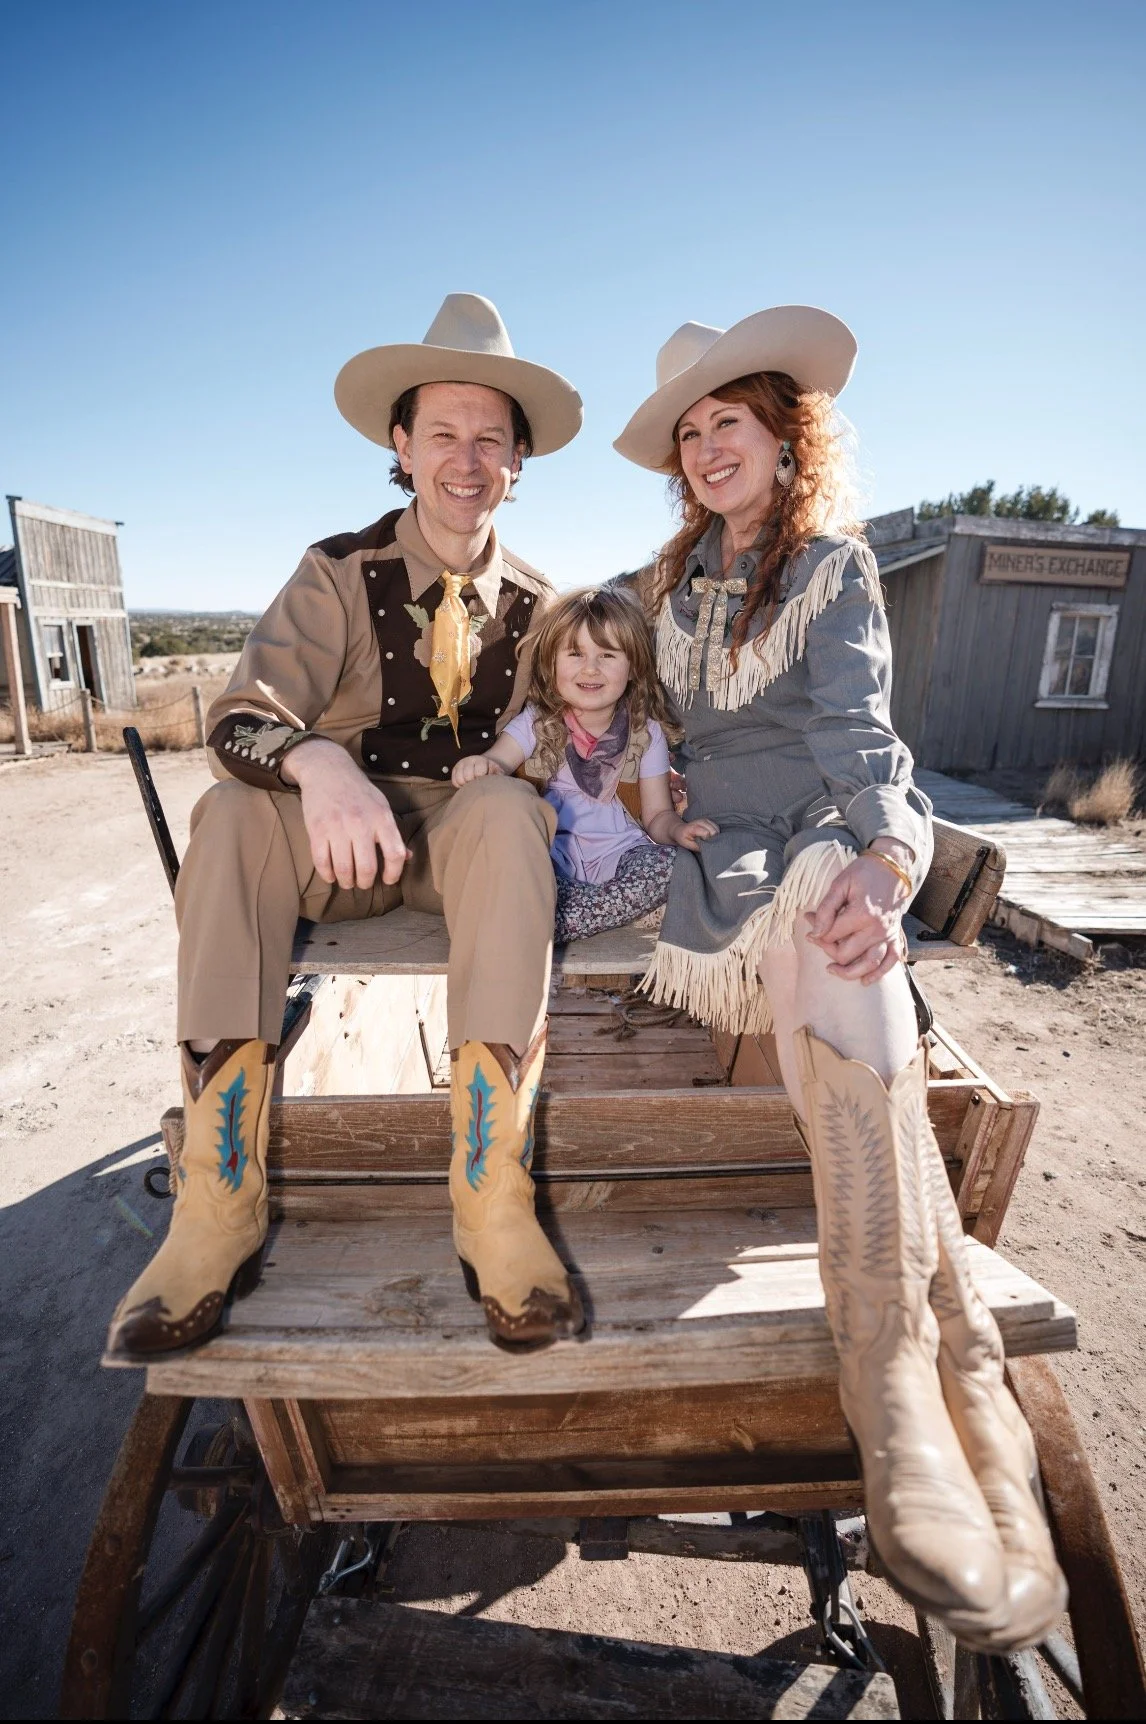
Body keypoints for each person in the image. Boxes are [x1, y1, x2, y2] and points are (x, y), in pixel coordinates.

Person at [613, 305, 1065, 1651]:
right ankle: (955, 1370)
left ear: (782, 436)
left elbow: (863, 738)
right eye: (687, 434)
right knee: (838, 968)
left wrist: (884, 851)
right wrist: (649, 779)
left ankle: (894, 1384)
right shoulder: (665, 578)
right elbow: (641, 716)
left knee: (834, 912)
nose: (704, 449)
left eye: (725, 425)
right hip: (713, 857)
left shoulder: (830, 566)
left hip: (813, 835)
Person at [106, 293, 587, 1357]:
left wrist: (529, 759)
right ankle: (215, 1210)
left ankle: (491, 1204)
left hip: (462, 851)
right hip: (336, 844)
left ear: (517, 460)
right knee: (228, 815)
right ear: (403, 446)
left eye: (490, 440)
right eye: (443, 435)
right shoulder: (334, 573)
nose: (466, 460)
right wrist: (319, 760)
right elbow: (240, 719)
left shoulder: (547, 605)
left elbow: (557, 741)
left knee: (510, 812)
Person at [452, 586, 716, 941]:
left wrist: (678, 832)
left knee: (673, 867)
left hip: (619, 853)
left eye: (608, 656)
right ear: (551, 663)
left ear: (634, 666)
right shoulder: (536, 722)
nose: (590, 669)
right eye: (575, 654)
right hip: (552, 855)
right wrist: (480, 767)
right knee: (509, 870)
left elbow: (657, 816)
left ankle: (559, 920)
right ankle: (590, 909)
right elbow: (497, 761)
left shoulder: (645, 733)